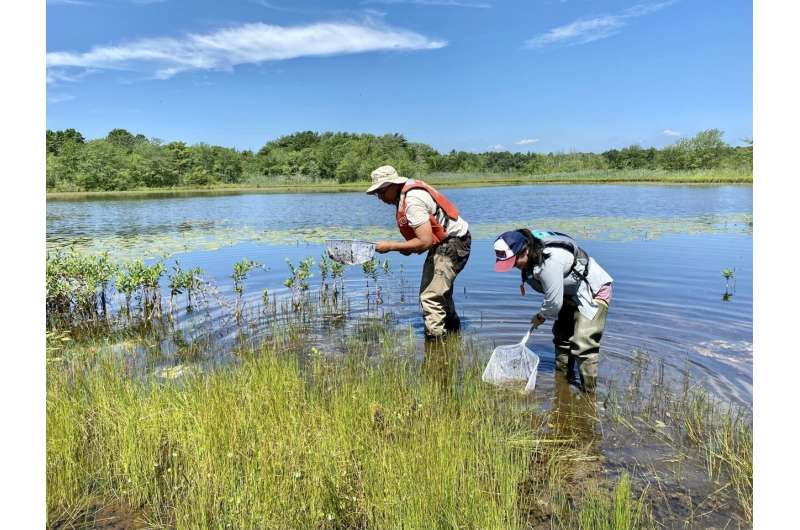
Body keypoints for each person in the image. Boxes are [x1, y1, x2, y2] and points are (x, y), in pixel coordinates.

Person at [493, 229, 613, 392]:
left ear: (525, 250)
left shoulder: (549, 262)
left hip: (592, 292)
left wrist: (540, 316)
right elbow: (555, 297)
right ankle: (563, 382)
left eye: (515, 261)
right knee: (562, 339)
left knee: (583, 344)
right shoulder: (529, 251)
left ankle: (589, 395)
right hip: (568, 294)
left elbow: (554, 303)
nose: (514, 266)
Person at [367, 165, 471, 340]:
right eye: (377, 193)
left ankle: (436, 349)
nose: (379, 197)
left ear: (393, 185)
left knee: (431, 297)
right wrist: (407, 247)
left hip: (453, 244)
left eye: (382, 191)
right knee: (440, 295)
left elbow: (424, 241)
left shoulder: (412, 201)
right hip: (449, 242)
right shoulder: (405, 194)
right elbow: (424, 241)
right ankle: (453, 338)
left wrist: (390, 246)